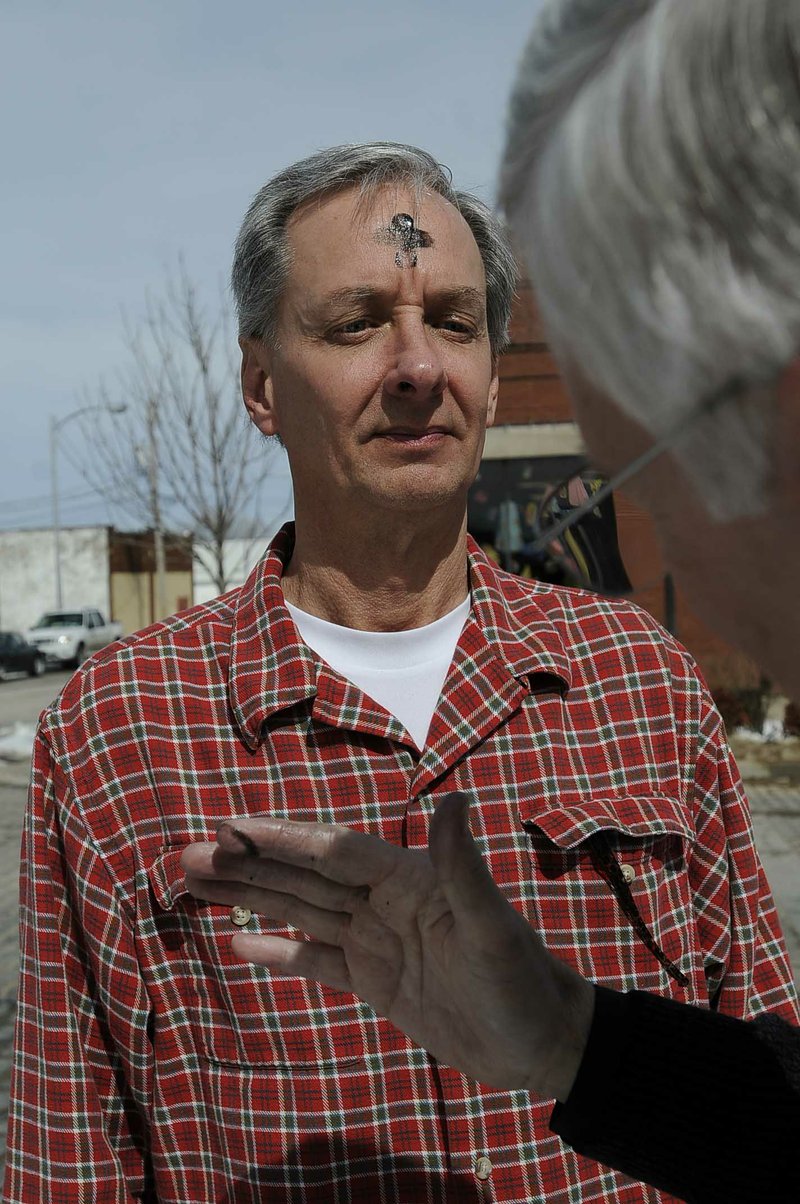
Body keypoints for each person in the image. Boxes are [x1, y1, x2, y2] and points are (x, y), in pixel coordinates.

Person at [4, 142, 797, 1204]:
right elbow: (69, 1157)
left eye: (455, 322)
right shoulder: (117, 731)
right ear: (259, 384)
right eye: (357, 321)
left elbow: (766, 1074)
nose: (419, 365)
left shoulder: (638, 680)